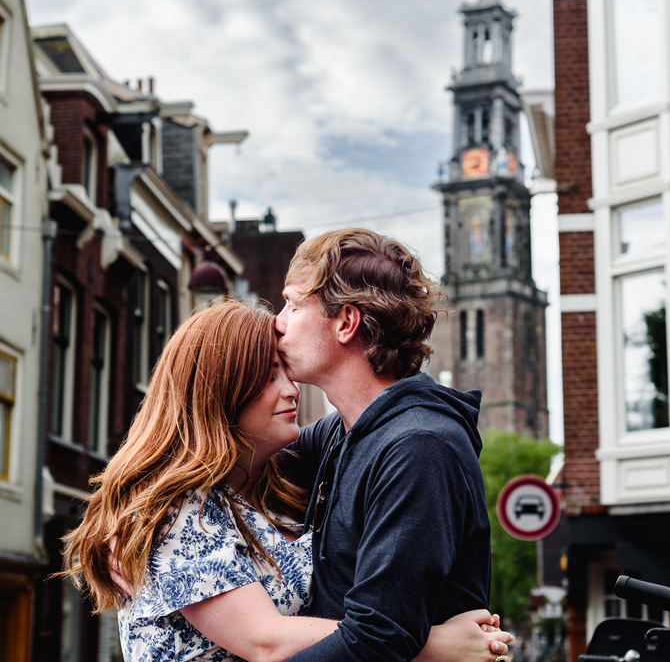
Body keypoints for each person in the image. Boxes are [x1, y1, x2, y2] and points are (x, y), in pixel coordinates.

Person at [61, 300, 512, 662]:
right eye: (269, 376)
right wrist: (432, 646)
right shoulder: (177, 513)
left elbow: (382, 411)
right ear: (220, 391)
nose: (292, 389)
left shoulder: (266, 481)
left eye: (287, 372)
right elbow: (266, 642)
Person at [275, 228, 494, 662]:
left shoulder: (418, 448)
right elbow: (231, 465)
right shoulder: (344, 433)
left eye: (294, 305)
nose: (277, 321)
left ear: (345, 323)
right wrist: (139, 513)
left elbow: (377, 640)